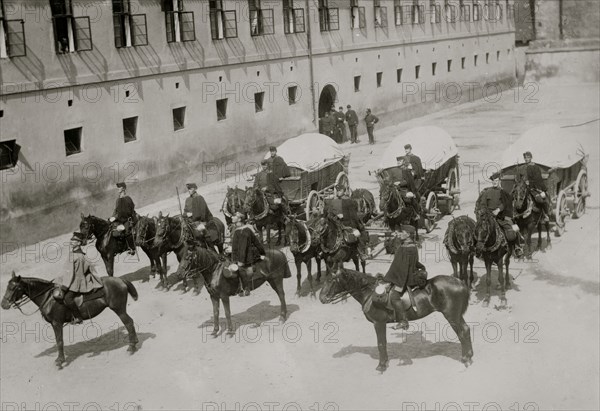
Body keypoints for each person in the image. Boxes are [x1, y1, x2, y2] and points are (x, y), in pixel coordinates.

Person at [382, 226, 425, 330]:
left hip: (405, 278)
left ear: (408, 234)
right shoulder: (410, 245)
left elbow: (403, 269)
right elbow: (412, 263)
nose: (400, 234)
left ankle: (403, 321)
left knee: (394, 297)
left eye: (403, 232)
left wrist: (397, 282)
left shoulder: (407, 248)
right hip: (405, 275)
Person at [58, 232, 103, 324]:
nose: (72, 242)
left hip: (75, 283)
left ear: (79, 243)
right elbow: (90, 268)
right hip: (80, 280)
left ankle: (78, 317)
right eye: (72, 240)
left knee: (67, 298)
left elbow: (70, 274)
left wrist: (64, 287)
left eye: (75, 241)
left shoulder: (74, 256)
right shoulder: (82, 255)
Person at [475, 175, 524, 258]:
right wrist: (485, 211)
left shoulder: (503, 192)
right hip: (488, 216)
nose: (495, 182)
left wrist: (498, 209)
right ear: (492, 182)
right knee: (479, 229)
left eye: (497, 181)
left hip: (501, 216)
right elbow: (483, 204)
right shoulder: (487, 192)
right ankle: (478, 249)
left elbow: (505, 203)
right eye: (493, 181)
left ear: (499, 182)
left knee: (513, 226)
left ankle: (517, 246)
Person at [323, 190, 370, 262]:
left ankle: (361, 253)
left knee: (357, 234)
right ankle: (322, 251)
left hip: (347, 224)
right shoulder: (333, 202)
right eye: (337, 191)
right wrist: (335, 217)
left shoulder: (349, 201)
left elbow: (353, 215)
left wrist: (344, 216)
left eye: (340, 191)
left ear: (344, 192)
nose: (338, 192)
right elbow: (329, 213)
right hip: (335, 223)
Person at [230, 213, 266, 296]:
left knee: (239, 271)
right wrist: (262, 253)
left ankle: (244, 288)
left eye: (234, 216)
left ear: (239, 219)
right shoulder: (245, 230)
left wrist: (240, 261)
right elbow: (257, 242)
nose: (232, 217)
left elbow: (243, 248)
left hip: (244, 257)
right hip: (241, 255)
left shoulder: (241, 232)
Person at [519, 151, 550, 222]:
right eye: (525, 157)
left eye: (528, 157)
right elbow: (518, 178)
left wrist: (529, 183)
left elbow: (538, 179)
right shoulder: (521, 168)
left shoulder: (535, 167)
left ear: (531, 158)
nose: (526, 159)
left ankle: (545, 214)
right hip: (522, 188)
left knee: (540, 200)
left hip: (533, 188)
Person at [110, 182, 137, 255]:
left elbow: (131, 209)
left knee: (127, 232)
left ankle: (132, 248)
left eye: (119, 187)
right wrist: (112, 217)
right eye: (118, 187)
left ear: (124, 189)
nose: (118, 189)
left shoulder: (128, 198)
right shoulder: (118, 200)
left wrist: (129, 217)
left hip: (127, 219)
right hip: (119, 219)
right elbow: (115, 210)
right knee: (113, 231)